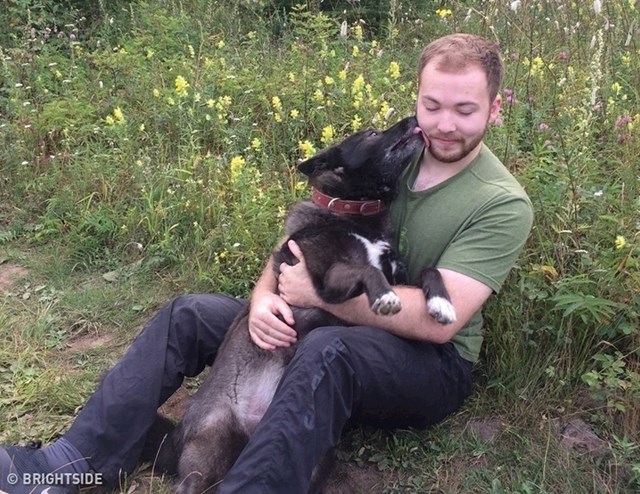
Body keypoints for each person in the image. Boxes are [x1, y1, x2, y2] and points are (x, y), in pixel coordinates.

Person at [0, 33, 533, 494]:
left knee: (328, 349)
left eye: (464, 110)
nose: (443, 125)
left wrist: (311, 297)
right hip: (335, 308)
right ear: (417, 99)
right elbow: (304, 241)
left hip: (427, 363)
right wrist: (264, 298)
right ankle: (71, 463)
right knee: (189, 314)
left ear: (493, 109)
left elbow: (440, 326)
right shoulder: (397, 149)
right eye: (432, 105)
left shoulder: (499, 202)